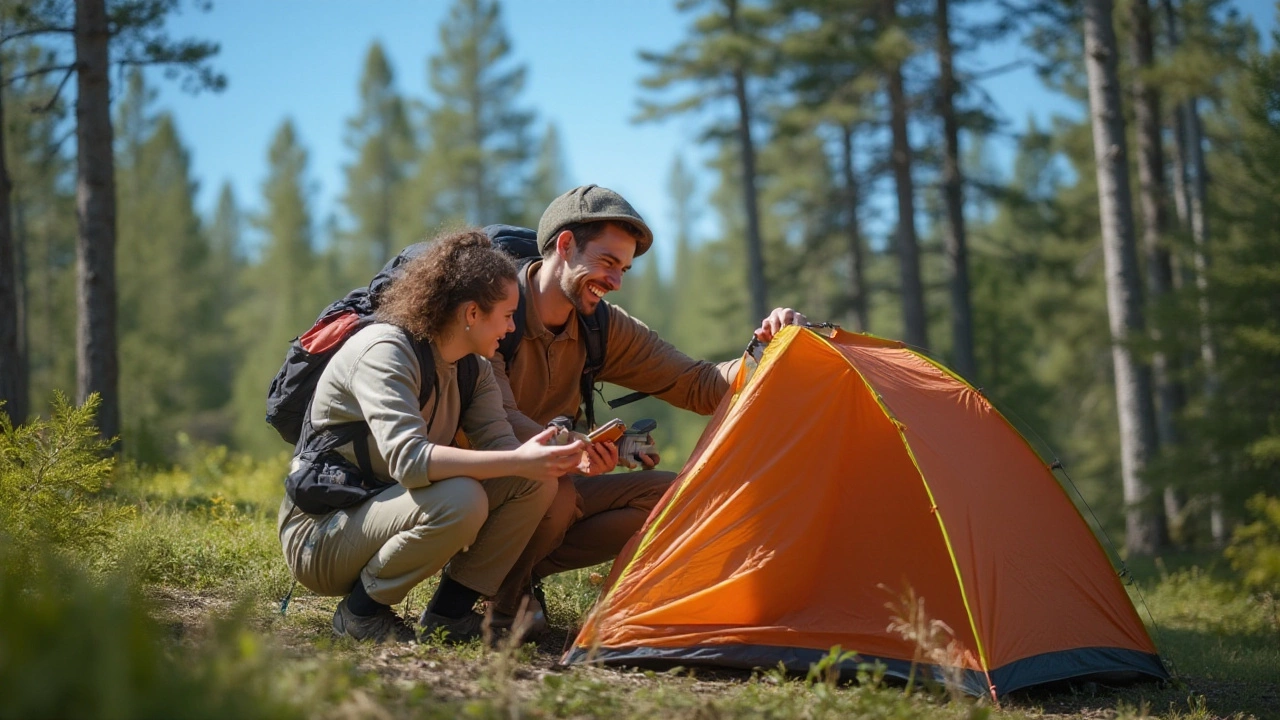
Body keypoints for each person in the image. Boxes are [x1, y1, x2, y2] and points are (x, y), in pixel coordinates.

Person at [488, 185, 806, 631]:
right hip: (479, 485)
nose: (615, 281)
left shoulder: (601, 325)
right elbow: (498, 424)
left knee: (667, 496)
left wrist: (766, 350)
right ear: (564, 245)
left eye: (624, 269)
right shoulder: (494, 312)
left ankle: (517, 574)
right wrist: (577, 449)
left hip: (548, 481)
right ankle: (496, 601)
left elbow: (697, 385)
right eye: (606, 262)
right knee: (553, 491)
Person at [277, 229, 588, 643]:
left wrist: (551, 454)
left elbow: (502, 449)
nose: (512, 328)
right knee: (463, 498)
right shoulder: (385, 350)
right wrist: (517, 460)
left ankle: (450, 616)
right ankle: (359, 615)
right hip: (319, 536)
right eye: (508, 314)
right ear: (472, 314)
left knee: (533, 482)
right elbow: (409, 460)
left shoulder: (471, 366)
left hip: (378, 515)